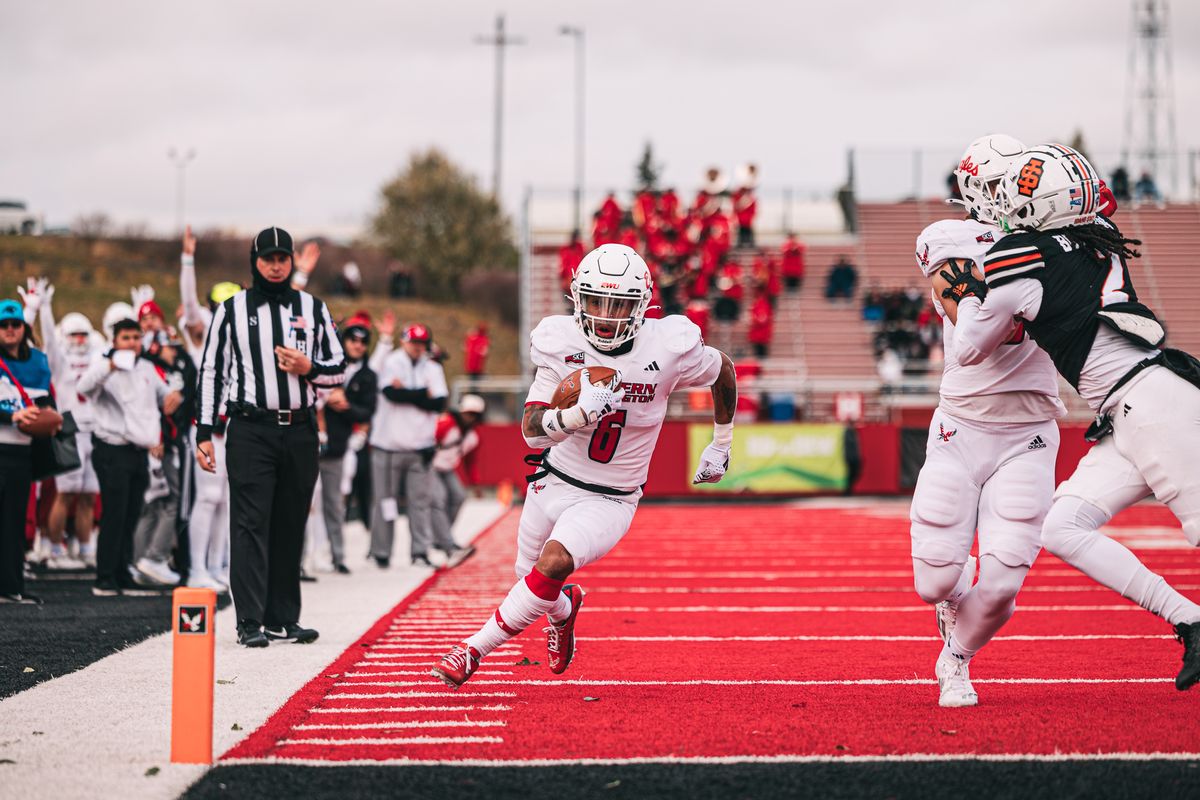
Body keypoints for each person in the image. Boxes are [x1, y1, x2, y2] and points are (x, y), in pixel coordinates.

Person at [945, 143, 1200, 690]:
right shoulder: (1095, 243)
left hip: (1151, 404)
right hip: (1132, 407)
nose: (1003, 199)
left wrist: (967, 293)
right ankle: (1190, 620)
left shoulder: (1021, 253)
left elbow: (968, 347)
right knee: (1060, 528)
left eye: (1015, 190)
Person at [432, 243, 739, 688]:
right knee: (534, 581)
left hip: (610, 496)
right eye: (596, 301)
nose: (607, 314)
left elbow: (723, 370)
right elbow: (532, 430)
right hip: (552, 480)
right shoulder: (562, 343)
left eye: (620, 304)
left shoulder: (668, 346)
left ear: (643, 306)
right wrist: (576, 416)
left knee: (552, 564)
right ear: (577, 300)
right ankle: (565, 611)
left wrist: (721, 442)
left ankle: (472, 649)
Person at [909, 133, 1067, 708]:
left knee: (1001, 587)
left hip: (1028, 430)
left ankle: (957, 661)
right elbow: (973, 343)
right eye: (1009, 184)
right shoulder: (950, 240)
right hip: (961, 424)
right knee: (934, 581)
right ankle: (952, 599)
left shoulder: (1060, 243)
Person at [196, 226, 345, 647]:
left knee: (290, 524)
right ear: (254, 262)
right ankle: (249, 620)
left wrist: (307, 368)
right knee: (249, 523)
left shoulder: (313, 308)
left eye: (283, 258)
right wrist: (204, 430)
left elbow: (338, 368)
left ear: (292, 260)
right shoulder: (231, 310)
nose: (276, 266)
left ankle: (284, 618)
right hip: (250, 427)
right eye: (268, 259)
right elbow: (212, 371)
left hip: (299, 427)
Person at [79, 318, 181, 596]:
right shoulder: (103, 366)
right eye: (126, 338)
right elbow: (84, 388)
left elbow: (163, 396)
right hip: (112, 448)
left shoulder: (147, 367)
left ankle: (123, 571)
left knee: (131, 513)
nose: (132, 343)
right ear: (114, 341)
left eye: (136, 337)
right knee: (114, 513)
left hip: (140, 451)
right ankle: (105, 577)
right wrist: (111, 365)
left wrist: (174, 396)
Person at [19, 279, 100, 569]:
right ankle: (54, 548)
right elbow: (50, 341)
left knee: (89, 494)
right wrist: (46, 308)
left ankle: (86, 548)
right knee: (65, 493)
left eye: (83, 335)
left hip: (95, 430)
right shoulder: (59, 360)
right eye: (74, 335)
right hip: (70, 428)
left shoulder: (96, 357)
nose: (79, 340)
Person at [178, 226, 240, 591]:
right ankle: (195, 569)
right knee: (208, 497)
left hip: (234, 428)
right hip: (205, 427)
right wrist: (188, 259)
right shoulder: (203, 335)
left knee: (228, 501)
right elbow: (188, 305)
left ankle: (217, 565)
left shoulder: (244, 336)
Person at [368, 323, 456, 568]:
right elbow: (390, 394)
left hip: (420, 446)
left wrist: (408, 392)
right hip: (388, 444)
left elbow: (438, 403)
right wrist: (421, 395)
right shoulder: (392, 361)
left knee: (420, 502)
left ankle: (420, 550)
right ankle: (381, 551)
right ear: (404, 341)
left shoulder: (432, 367)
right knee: (385, 501)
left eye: (421, 343)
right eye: (413, 342)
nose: (417, 347)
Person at [0, 298, 54, 604]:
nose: (9, 330)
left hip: (23, 452)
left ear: (24, 327)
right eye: (4, 325)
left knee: (14, 521)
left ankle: (11, 585)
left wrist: (51, 418)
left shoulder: (38, 361)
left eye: (15, 324)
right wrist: (11, 416)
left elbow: (47, 400)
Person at [317, 312, 377, 574]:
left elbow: (366, 412)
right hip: (310, 440)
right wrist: (327, 398)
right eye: (352, 339)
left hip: (339, 445)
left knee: (334, 504)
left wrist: (343, 405)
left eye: (362, 342)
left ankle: (337, 555)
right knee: (302, 504)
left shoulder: (368, 375)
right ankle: (298, 561)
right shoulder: (328, 365)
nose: (357, 345)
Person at [428, 394, 485, 569]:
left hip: (447, 469)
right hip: (431, 466)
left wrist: (475, 484)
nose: (470, 418)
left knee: (459, 496)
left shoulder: (473, 437)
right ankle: (448, 545)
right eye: (467, 413)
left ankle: (440, 537)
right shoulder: (446, 424)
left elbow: (470, 462)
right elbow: (429, 440)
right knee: (438, 499)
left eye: (474, 415)